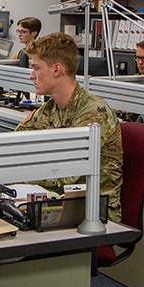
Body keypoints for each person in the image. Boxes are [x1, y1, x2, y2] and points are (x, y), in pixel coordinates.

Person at [15, 32, 123, 221]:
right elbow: (15, 143)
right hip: (56, 201)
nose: (32, 76)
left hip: (93, 213)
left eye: (36, 68)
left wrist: (15, 172)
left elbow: (64, 176)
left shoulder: (93, 114)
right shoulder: (50, 108)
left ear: (57, 69)